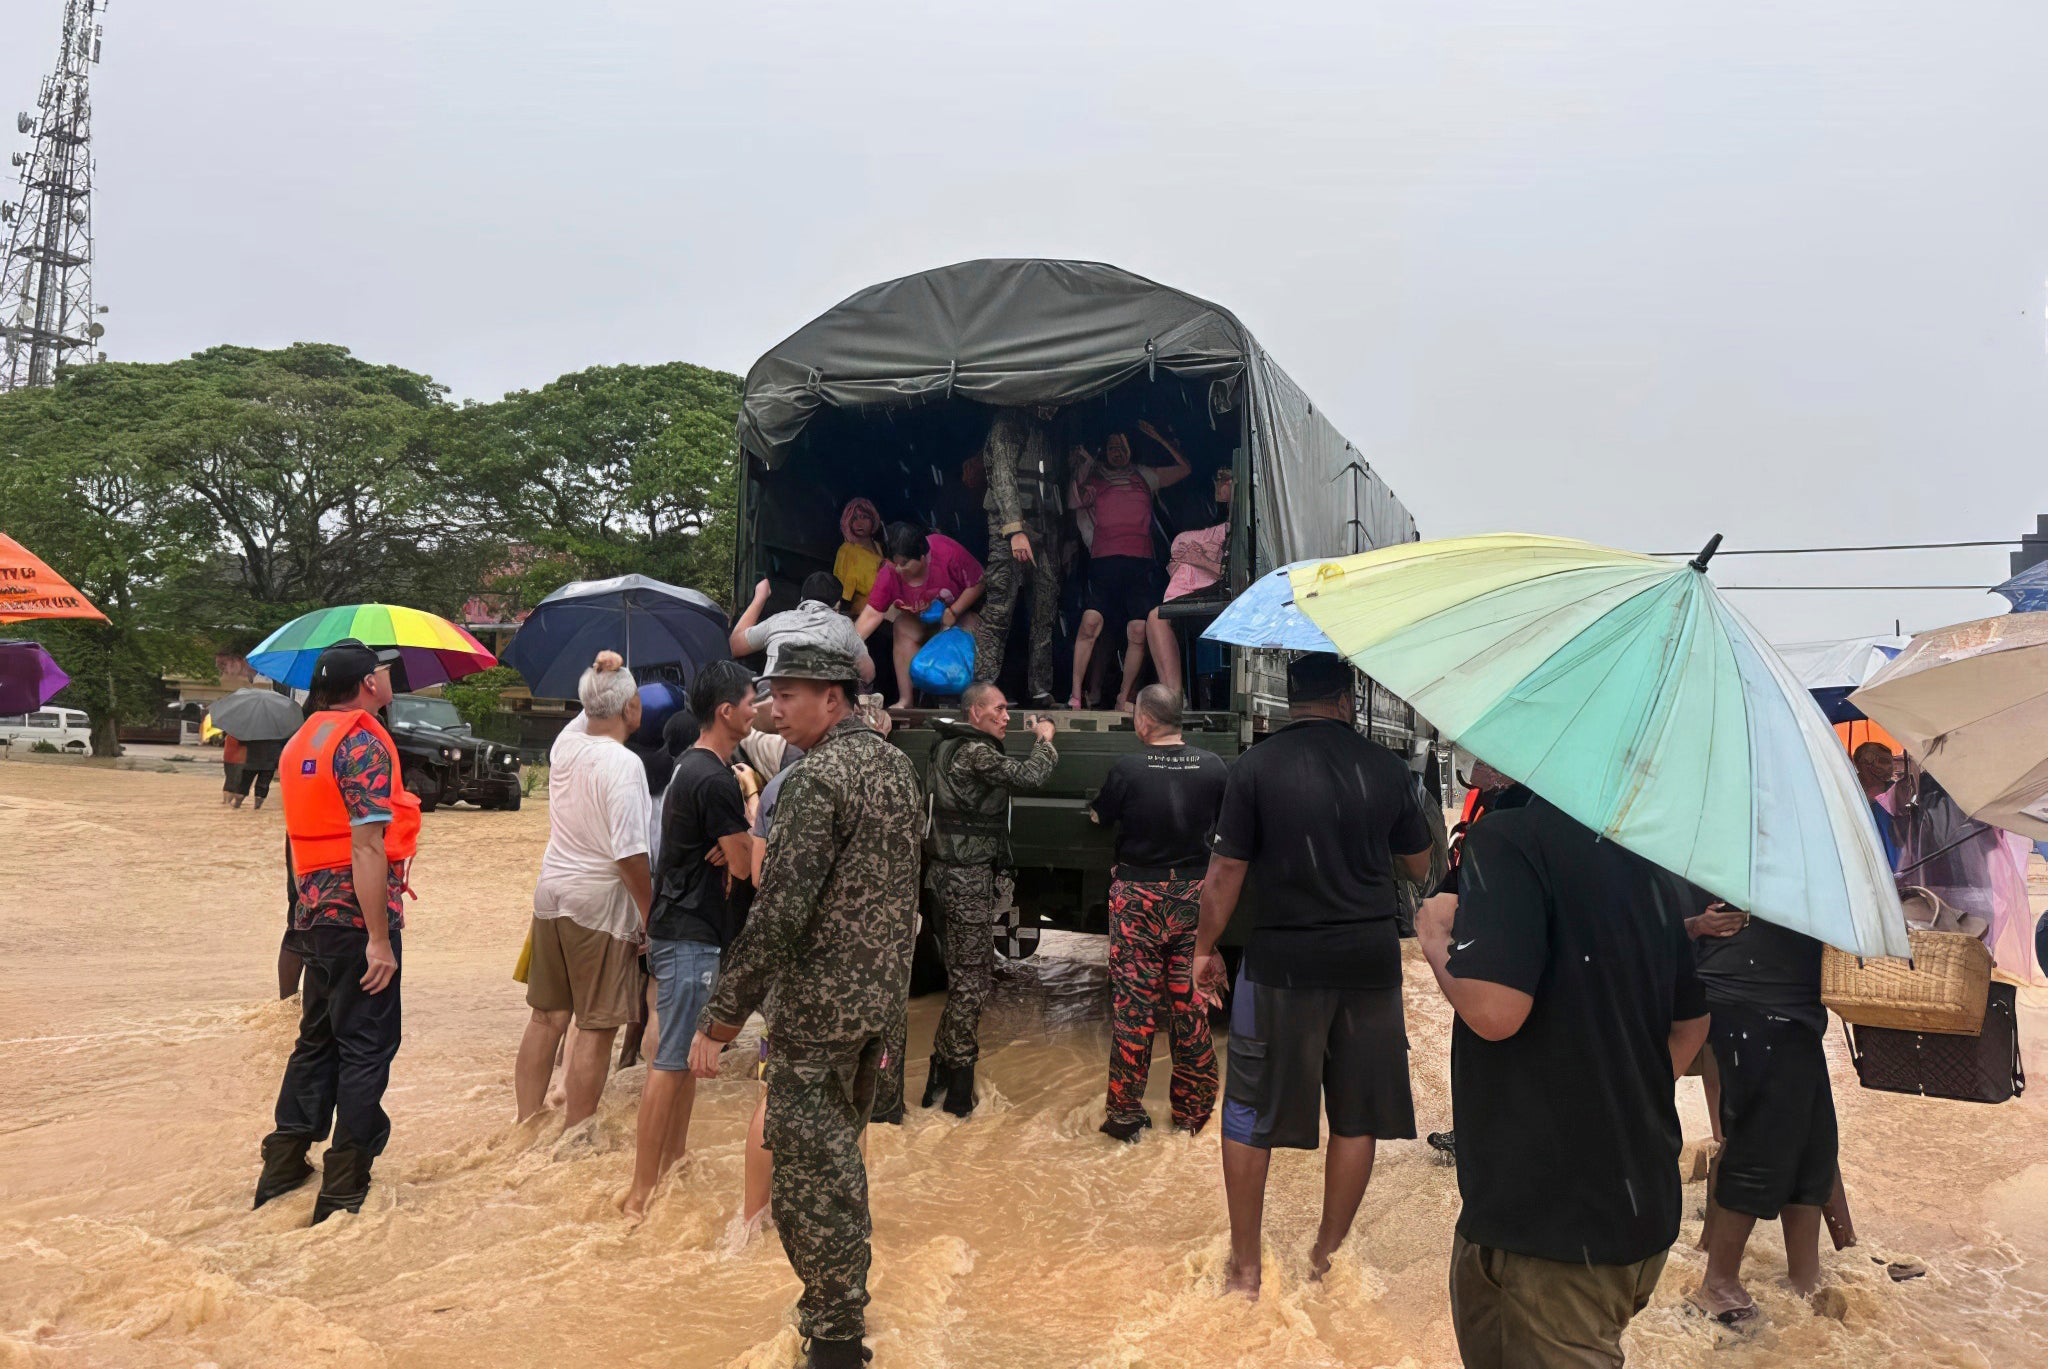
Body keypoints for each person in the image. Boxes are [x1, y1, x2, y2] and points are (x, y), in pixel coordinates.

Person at [686, 641, 924, 1369]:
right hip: (880, 1006)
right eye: (770, 693)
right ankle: (845, 1312)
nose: (772, 708)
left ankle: (834, 1337)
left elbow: (778, 915)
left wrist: (719, 1021)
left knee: (806, 1177)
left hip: (817, 1012)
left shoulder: (817, 780)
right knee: (840, 1159)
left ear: (833, 697)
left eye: (789, 694)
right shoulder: (897, 766)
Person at [1414, 799, 1711, 1369]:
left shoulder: (1508, 840)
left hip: (1547, 1231)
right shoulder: (1648, 854)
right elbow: (1692, 1022)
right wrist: (1618, 1096)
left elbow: (1495, 1012)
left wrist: (1433, 939)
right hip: (1637, 1211)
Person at [1192, 653, 1431, 1296]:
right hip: (1369, 965)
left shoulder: (1255, 769)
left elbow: (1224, 877)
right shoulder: (1386, 769)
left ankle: (1245, 1269)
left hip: (1281, 967)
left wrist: (1202, 949)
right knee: (1356, 1117)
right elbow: (1417, 864)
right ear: (1348, 699)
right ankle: (1326, 1259)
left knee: (1247, 1110)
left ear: (1288, 701)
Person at [254, 640, 416, 1223]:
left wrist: (299, 920)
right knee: (367, 1045)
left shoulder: (302, 740)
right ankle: (345, 1185)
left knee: (316, 1039)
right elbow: (368, 845)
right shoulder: (364, 741)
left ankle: (283, 1164)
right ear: (367, 684)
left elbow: (297, 844)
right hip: (357, 920)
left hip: (313, 917)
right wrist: (378, 938)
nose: (390, 678)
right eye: (384, 671)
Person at [623, 660, 757, 1222]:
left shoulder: (689, 768)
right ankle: (639, 1194)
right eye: (752, 701)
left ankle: (672, 1167)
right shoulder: (718, 779)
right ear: (726, 712)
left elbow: (729, 853)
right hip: (692, 936)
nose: (759, 709)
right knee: (671, 1061)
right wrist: (747, 811)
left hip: (681, 930)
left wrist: (730, 843)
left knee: (681, 1061)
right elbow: (748, 867)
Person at [1685, 901, 1839, 1325]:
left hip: (1799, 1009)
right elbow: (1654, 920)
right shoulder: (1719, 846)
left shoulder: (1805, 854)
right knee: (1759, 1145)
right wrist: (1696, 924)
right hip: (1745, 1001)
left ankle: (1805, 1280)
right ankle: (1717, 1285)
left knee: (1814, 1148)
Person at [514, 652, 651, 1128]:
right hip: (599, 906)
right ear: (632, 707)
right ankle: (578, 1135)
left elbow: (590, 712)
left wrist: (600, 672)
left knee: (546, 1018)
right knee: (596, 1024)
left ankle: (526, 1123)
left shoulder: (564, 747)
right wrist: (651, 916)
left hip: (550, 893)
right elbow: (631, 855)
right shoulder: (625, 764)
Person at [1088, 684, 1227, 1141]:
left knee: (1135, 1008)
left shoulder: (1128, 767)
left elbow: (1100, 815)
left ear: (1144, 721)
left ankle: (1125, 1117)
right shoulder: (1212, 767)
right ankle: (1193, 1115)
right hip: (1193, 896)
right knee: (1190, 1004)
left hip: (1138, 899)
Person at [912, 681, 1058, 1116]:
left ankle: (941, 1068)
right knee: (972, 983)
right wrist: (1046, 739)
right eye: (998, 709)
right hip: (964, 881)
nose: (1006, 716)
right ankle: (959, 1085)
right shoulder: (974, 752)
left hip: (950, 878)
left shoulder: (946, 746)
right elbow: (1031, 776)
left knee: (966, 976)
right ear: (974, 713)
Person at [1067, 421, 1191, 710]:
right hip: (1103, 563)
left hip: (1140, 564)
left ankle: (1124, 696)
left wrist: (1160, 437)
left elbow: (1184, 469)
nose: (1116, 452)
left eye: (1121, 447)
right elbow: (1073, 500)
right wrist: (1083, 465)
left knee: (1137, 630)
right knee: (1091, 624)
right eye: (1111, 448)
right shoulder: (1094, 478)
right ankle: (1075, 695)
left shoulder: (1144, 476)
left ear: (1130, 450)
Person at [973, 406, 1067, 708]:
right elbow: (1002, 476)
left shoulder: (1049, 429)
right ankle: (983, 688)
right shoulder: (1009, 422)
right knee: (1000, 608)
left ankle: (1040, 689)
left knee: (1045, 610)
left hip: (1045, 526)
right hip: (1010, 526)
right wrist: (1014, 530)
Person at [853, 522, 986, 707]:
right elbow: (872, 613)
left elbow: (978, 581)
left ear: (923, 556)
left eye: (905, 563)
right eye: (894, 563)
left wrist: (954, 611)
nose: (898, 569)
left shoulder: (946, 552)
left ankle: (974, 700)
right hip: (921, 623)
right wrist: (848, 646)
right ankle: (907, 699)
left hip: (957, 619)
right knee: (901, 625)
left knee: (974, 625)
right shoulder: (890, 573)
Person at [1143, 467, 1233, 701]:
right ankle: (1172, 694)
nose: (1218, 483)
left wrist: (1200, 560)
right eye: (1218, 477)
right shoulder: (1214, 529)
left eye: (1224, 478)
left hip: (1228, 599)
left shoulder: (1241, 529)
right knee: (1156, 617)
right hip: (1205, 597)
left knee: (1160, 617)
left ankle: (1174, 695)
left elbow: (1234, 575)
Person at [730, 572, 875, 684]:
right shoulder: (844, 624)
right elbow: (868, 674)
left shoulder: (779, 619)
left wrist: (760, 597)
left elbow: (735, 645)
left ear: (801, 599)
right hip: (817, 711)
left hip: (773, 706)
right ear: (837, 605)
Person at [1852, 741, 1904, 871]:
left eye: (1890, 762)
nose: (1890, 767)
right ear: (1865, 763)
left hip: (1895, 856)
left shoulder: (1896, 789)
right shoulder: (1851, 789)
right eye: (1884, 761)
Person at [832, 497, 885, 613]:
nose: (859, 523)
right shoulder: (847, 550)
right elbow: (843, 591)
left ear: (873, 519)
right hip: (861, 611)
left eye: (864, 517)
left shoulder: (877, 545)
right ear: (848, 521)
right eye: (854, 518)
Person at [220, 731, 247, 806]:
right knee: (236, 781)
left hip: (228, 758)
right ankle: (228, 802)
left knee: (229, 779)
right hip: (239, 759)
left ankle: (225, 801)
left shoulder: (230, 732)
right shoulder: (242, 734)